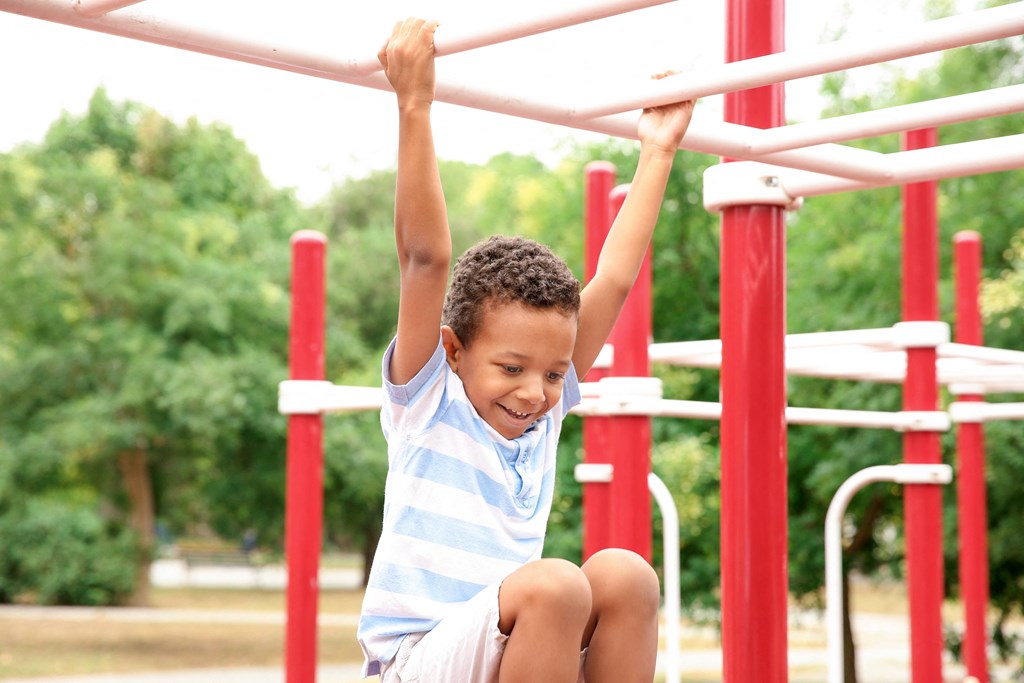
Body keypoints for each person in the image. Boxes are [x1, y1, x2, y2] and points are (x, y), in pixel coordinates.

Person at [357, 17, 695, 683]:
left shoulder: (542, 415)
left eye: (553, 372)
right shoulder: (429, 399)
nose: (535, 392)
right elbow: (425, 260)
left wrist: (657, 151)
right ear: (453, 351)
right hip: (415, 663)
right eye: (510, 369)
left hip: (503, 652)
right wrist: (415, 104)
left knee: (625, 574)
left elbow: (616, 280)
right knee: (557, 585)